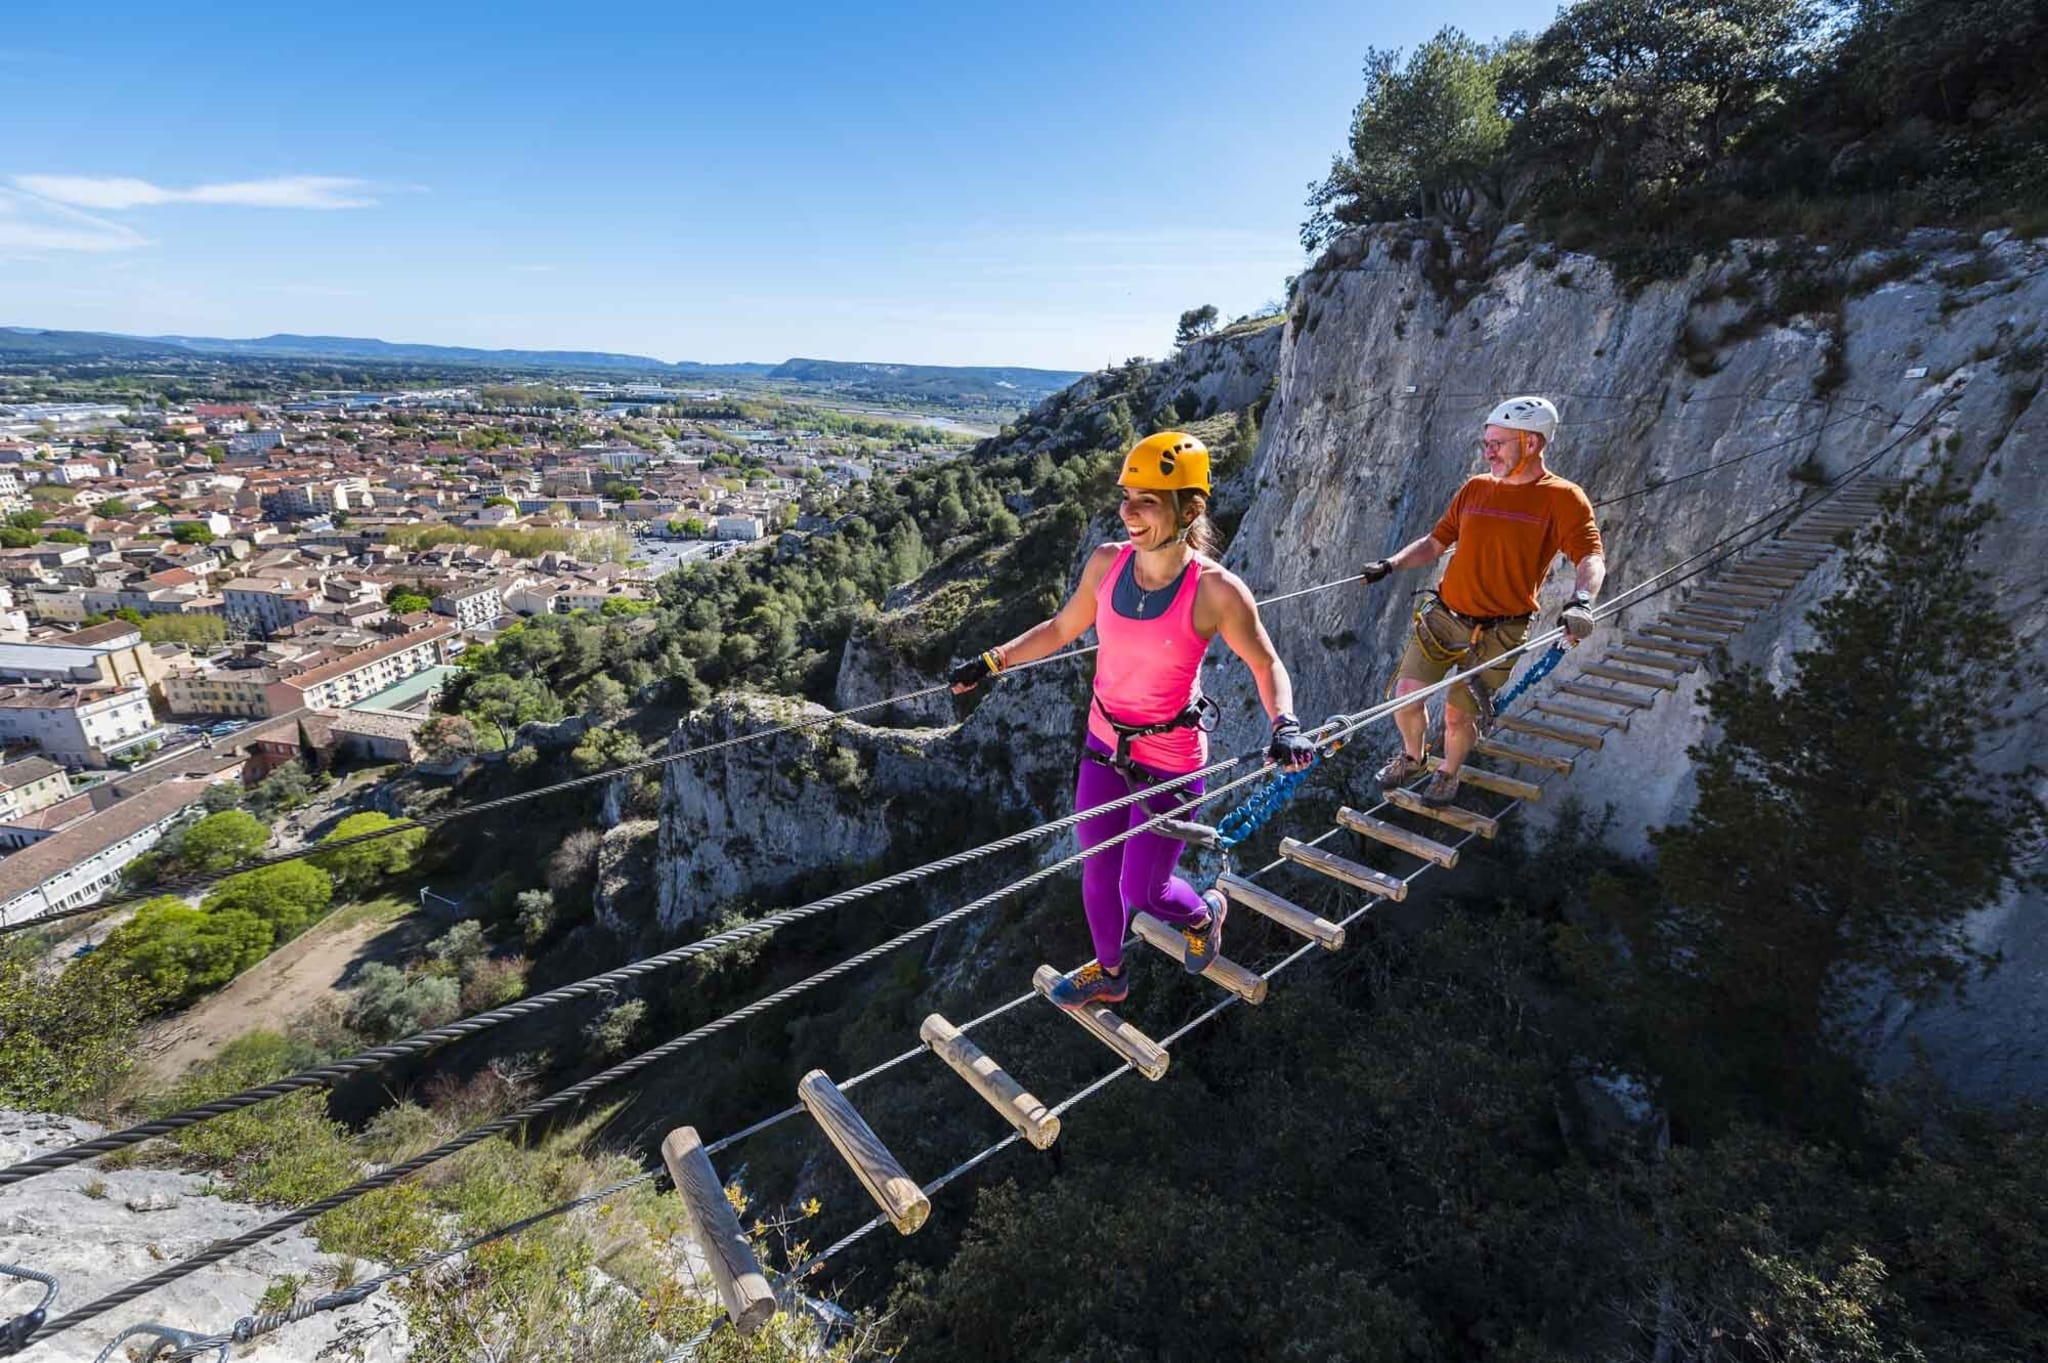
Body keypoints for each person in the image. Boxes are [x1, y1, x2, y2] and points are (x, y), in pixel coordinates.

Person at [950, 431, 1318, 1009]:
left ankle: (1204, 913)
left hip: (1170, 761)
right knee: (1097, 875)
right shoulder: (1106, 563)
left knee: (1142, 890)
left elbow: (1265, 664)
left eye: (1148, 499)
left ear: (1189, 509)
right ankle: (1111, 972)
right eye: (1126, 496)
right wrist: (993, 660)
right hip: (1104, 746)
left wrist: (1284, 724)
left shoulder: (1217, 591)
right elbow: (1059, 629)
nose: (1128, 511)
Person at [1360, 396, 1606, 806]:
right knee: (1406, 694)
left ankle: (1447, 773)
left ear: (1532, 443)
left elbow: (1590, 557)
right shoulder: (1475, 488)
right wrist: (1391, 564)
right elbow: (1436, 542)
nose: (1487, 451)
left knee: (1459, 715)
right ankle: (1413, 756)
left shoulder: (1563, 498)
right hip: (1445, 615)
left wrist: (1581, 600)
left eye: (1498, 443)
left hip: (1500, 628)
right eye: (1486, 442)